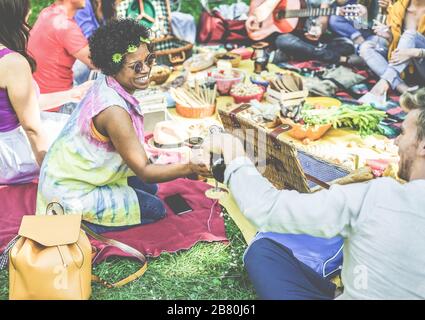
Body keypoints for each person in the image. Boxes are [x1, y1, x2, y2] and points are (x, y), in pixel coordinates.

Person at [203, 88, 425, 299]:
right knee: (265, 250)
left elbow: (266, 209)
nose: (396, 141)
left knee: (262, 252)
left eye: (403, 132)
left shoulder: (377, 196)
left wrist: (232, 150)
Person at [36, 19, 211, 233]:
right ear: (114, 65)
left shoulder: (106, 81)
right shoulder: (114, 112)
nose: (146, 69)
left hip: (73, 175)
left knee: (151, 188)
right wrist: (189, 167)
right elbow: (145, 171)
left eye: (150, 59)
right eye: (136, 65)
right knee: (154, 208)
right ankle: (80, 222)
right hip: (69, 193)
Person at [0, 0, 78, 184]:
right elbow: (32, 128)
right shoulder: (12, 62)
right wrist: (51, 178)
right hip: (9, 158)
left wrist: (73, 94)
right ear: (15, 15)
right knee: (83, 133)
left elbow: (20, 106)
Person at [28, 0, 95, 112]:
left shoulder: (47, 12)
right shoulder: (66, 26)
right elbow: (99, 63)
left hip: (39, 96)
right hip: (58, 104)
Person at [359, 0, 425, 104]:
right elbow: (399, 45)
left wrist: (415, 52)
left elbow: (410, 41)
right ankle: (404, 89)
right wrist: (390, 37)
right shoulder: (398, 7)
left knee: (410, 34)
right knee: (366, 47)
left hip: (421, 65)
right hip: (403, 67)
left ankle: (380, 88)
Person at [261, 0, 363, 66]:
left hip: (308, 37)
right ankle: (339, 59)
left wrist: (318, 29)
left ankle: (290, 54)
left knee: (346, 46)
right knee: (282, 41)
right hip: (281, 31)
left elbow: (323, 19)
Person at [73, 0, 122, 85]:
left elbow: (113, 32)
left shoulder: (107, 4)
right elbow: (89, 36)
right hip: (83, 59)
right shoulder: (83, 4)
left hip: (100, 56)